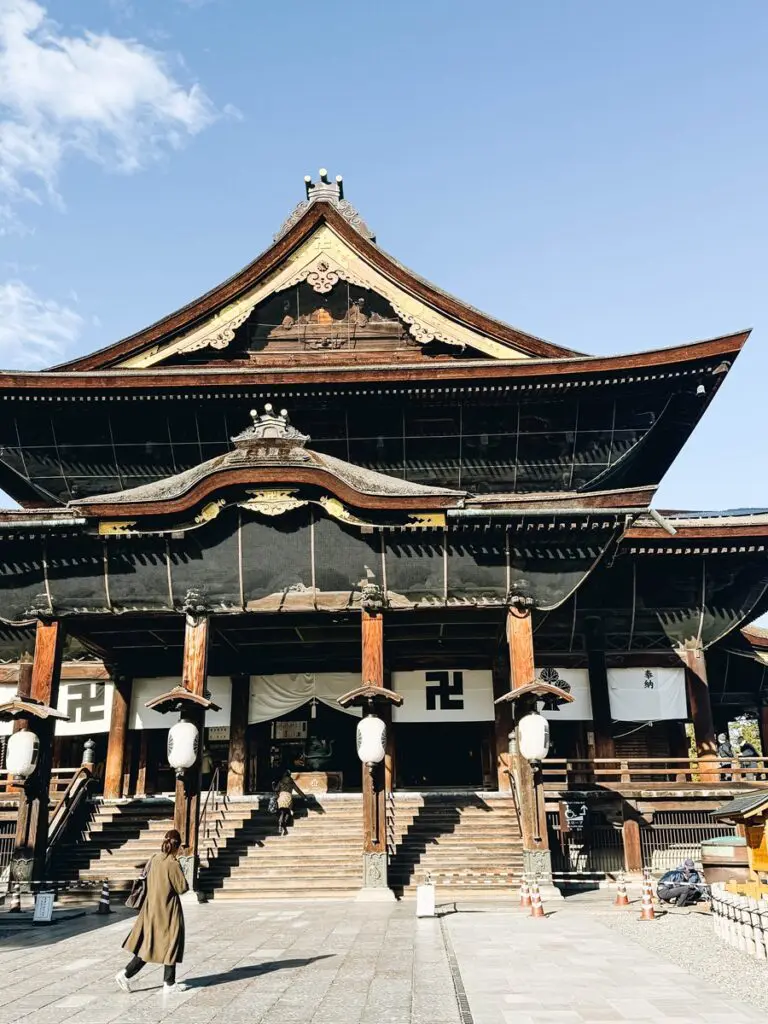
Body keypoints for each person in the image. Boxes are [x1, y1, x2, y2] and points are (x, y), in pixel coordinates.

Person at [116, 828, 188, 995]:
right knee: (171, 942)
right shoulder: (173, 863)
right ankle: (168, 983)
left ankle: (126, 974)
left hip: (151, 908)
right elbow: (182, 887)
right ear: (177, 846)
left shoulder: (154, 858)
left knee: (149, 945)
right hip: (167, 910)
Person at [273, 769, 302, 837]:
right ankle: (284, 824)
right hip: (288, 798)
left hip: (281, 797)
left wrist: (273, 784)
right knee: (288, 811)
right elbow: (297, 790)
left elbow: (276, 790)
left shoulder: (281, 781)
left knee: (282, 811)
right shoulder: (291, 782)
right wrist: (304, 796)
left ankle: (281, 825)